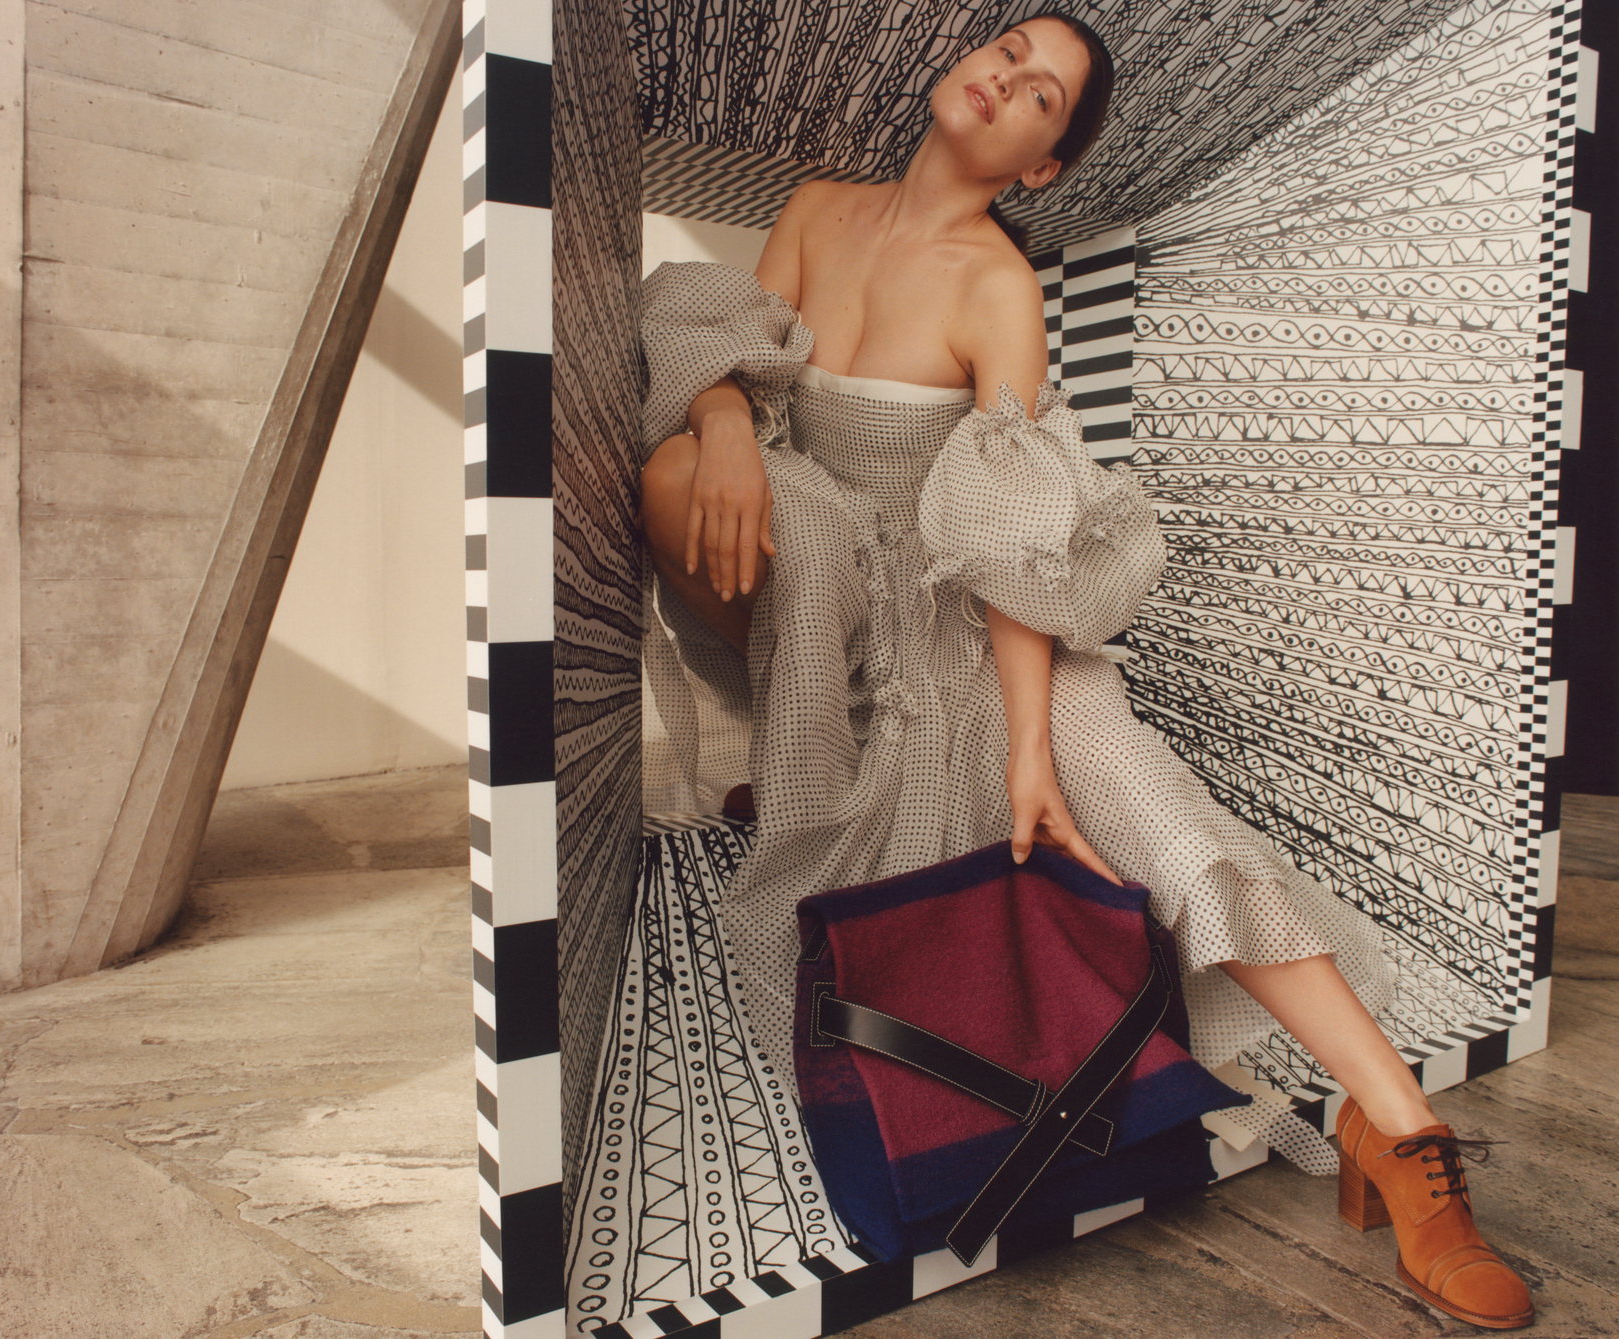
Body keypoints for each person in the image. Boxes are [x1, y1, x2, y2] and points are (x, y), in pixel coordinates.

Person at [636, 13, 1533, 1330]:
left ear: (1042, 163)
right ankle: (805, 756)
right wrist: (718, 417)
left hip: (966, 616)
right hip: (818, 596)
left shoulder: (1001, 288)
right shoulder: (818, 210)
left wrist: (1030, 751)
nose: (1005, 78)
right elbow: (743, 367)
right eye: (1005, 51)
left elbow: (1010, 538)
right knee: (686, 474)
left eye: (1040, 93)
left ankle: (1398, 1133)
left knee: (1153, 806)